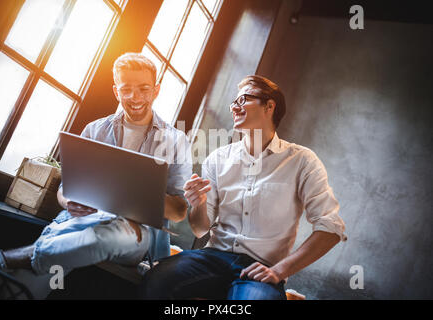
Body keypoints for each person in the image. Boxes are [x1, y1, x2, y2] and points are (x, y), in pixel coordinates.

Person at [0, 53, 192, 299]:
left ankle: (5, 258)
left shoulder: (176, 140)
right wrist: (67, 201)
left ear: (156, 90)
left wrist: (132, 192)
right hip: (80, 221)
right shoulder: (95, 129)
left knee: (103, 238)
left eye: (143, 89)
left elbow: (179, 210)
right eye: (126, 89)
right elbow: (65, 189)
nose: (134, 97)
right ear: (116, 91)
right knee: (26, 288)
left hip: (136, 232)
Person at [141, 75, 347, 300]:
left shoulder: (302, 160)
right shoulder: (217, 159)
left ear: (269, 106)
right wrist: (198, 204)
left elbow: (331, 228)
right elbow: (200, 229)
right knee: (156, 279)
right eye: (233, 103)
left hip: (261, 268)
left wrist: (279, 271)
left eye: (243, 100)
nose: (234, 107)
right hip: (211, 258)